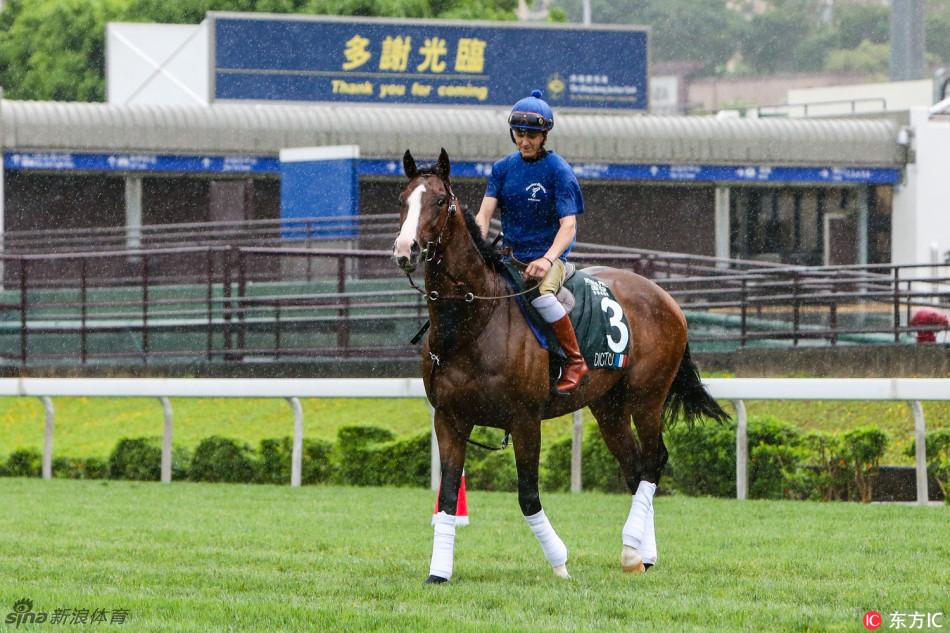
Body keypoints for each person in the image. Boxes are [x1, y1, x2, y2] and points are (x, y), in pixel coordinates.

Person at [475, 89, 588, 395]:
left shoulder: (558, 171)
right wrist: (476, 241)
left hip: (549, 259)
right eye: (519, 133)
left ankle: (575, 361)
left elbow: (568, 226)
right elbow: (484, 215)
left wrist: (547, 259)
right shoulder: (502, 169)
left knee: (543, 296)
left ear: (545, 136)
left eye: (532, 135)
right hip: (510, 256)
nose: (525, 141)